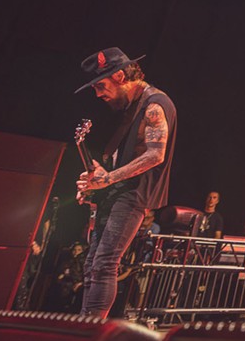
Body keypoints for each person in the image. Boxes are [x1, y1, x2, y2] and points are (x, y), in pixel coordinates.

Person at [75, 47, 177, 318]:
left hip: (133, 195)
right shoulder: (133, 107)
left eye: (101, 86)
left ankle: (92, 330)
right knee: (91, 264)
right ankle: (85, 323)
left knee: (105, 263)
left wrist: (108, 179)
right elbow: (125, 156)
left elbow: (156, 154)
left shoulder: (155, 104)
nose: (99, 95)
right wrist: (97, 176)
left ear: (120, 75)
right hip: (118, 191)